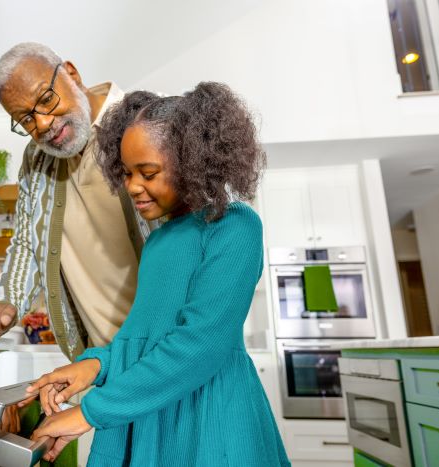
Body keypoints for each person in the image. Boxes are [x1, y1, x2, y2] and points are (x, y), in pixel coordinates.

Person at [26, 83, 291, 466]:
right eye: (127, 172)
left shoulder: (235, 227)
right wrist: (93, 366)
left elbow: (200, 344)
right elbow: (141, 338)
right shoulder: (159, 241)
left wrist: (88, 413)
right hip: (154, 410)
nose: (132, 186)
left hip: (208, 419)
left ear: (192, 161)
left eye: (147, 173)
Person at [0, 43, 154, 360]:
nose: (43, 124)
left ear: (72, 75)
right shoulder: (36, 159)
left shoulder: (148, 124)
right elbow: (27, 243)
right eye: (26, 120)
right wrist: (7, 301)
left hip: (167, 357)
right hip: (98, 364)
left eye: (46, 99)